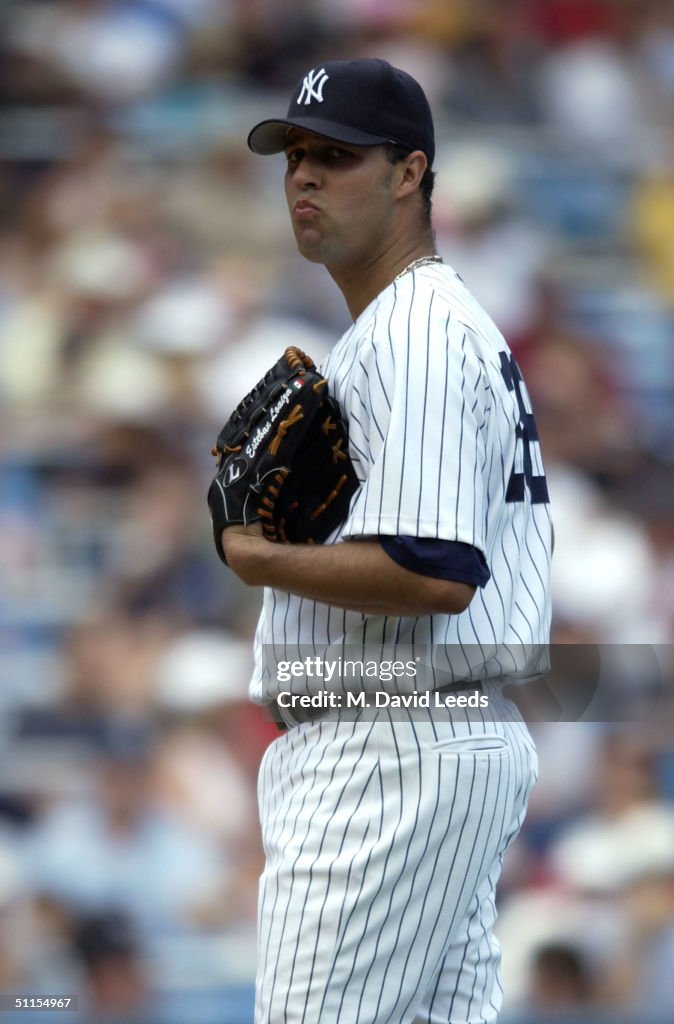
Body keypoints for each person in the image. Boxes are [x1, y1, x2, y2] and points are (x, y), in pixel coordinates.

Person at [219, 58, 553, 1024]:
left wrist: (257, 557)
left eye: (336, 156)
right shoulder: (417, 328)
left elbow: (434, 568)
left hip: (389, 745)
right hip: (428, 733)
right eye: (294, 157)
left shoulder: (415, 333)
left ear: (410, 174)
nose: (304, 177)